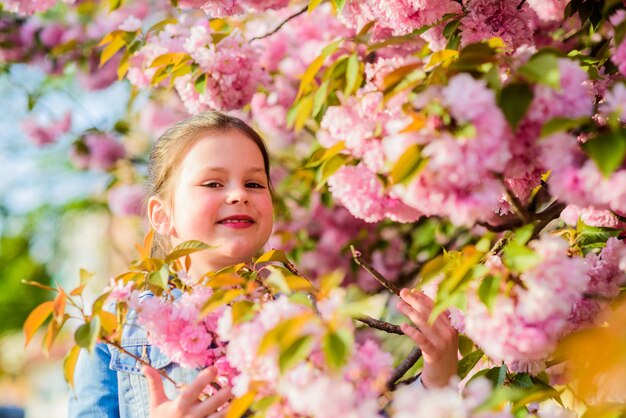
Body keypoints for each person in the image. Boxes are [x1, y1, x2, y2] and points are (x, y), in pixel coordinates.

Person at [68, 111, 457, 418]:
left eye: (255, 184)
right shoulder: (120, 327)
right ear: (162, 215)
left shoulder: (302, 317)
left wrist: (437, 375)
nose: (238, 194)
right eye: (213, 183)